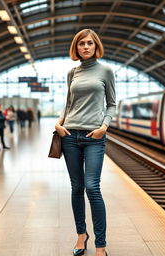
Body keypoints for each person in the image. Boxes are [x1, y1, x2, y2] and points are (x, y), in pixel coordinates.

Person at [55, 29, 116, 256]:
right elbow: (69, 103)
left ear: (96, 45)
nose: (86, 47)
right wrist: (58, 123)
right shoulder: (72, 73)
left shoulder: (106, 71)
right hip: (70, 135)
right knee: (76, 187)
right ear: (76, 47)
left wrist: (104, 127)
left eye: (90, 43)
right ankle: (82, 235)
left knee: (92, 187)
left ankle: (101, 244)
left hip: (94, 137)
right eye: (82, 44)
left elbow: (112, 103)